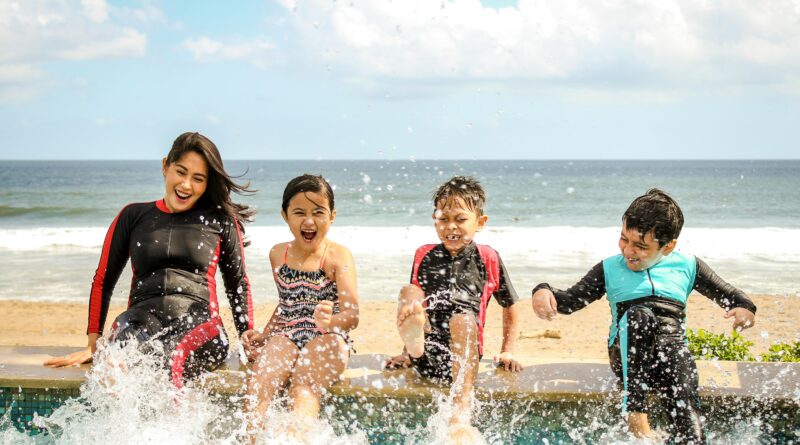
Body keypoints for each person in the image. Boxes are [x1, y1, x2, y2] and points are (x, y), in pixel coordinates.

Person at [532, 188, 757, 444]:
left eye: (641, 246)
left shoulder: (687, 266)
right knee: (640, 316)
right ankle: (636, 416)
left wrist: (745, 309)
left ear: (668, 247)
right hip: (626, 354)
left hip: (670, 356)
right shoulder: (609, 268)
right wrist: (543, 290)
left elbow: (732, 296)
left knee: (685, 396)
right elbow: (570, 301)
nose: (628, 250)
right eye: (623, 239)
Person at [44, 132, 255, 388]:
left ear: (206, 184)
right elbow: (103, 280)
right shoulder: (133, 216)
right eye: (181, 172)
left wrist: (247, 336)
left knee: (170, 362)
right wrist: (93, 343)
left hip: (200, 324)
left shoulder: (220, 222)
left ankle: (176, 415)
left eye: (198, 179)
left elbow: (237, 284)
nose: (186, 185)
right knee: (114, 363)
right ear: (165, 166)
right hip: (139, 320)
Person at [387, 175, 522, 440]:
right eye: (443, 219)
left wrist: (507, 349)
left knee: (462, 319)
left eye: (460, 219)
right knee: (409, 292)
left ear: (480, 222)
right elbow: (414, 309)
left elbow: (510, 305)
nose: (451, 226)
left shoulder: (487, 257)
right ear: (434, 219)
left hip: (463, 361)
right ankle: (412, 348)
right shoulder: (424, 254)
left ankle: (461, 409)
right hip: (427, 355)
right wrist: (405, 353)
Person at [240, 174, 358, 436]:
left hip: (329, 338)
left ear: (332, 216)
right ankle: (251, 439)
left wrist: (331, 321)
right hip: (288, 334)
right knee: (260, 382)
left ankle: (297, 438)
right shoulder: (278, 254)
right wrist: (265, 335)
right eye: (299, 212)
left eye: (318, 212)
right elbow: (286, 304)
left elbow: (352, 315)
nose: (309, 221)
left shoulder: (338, 256)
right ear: (285, 215)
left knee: (303, 386)